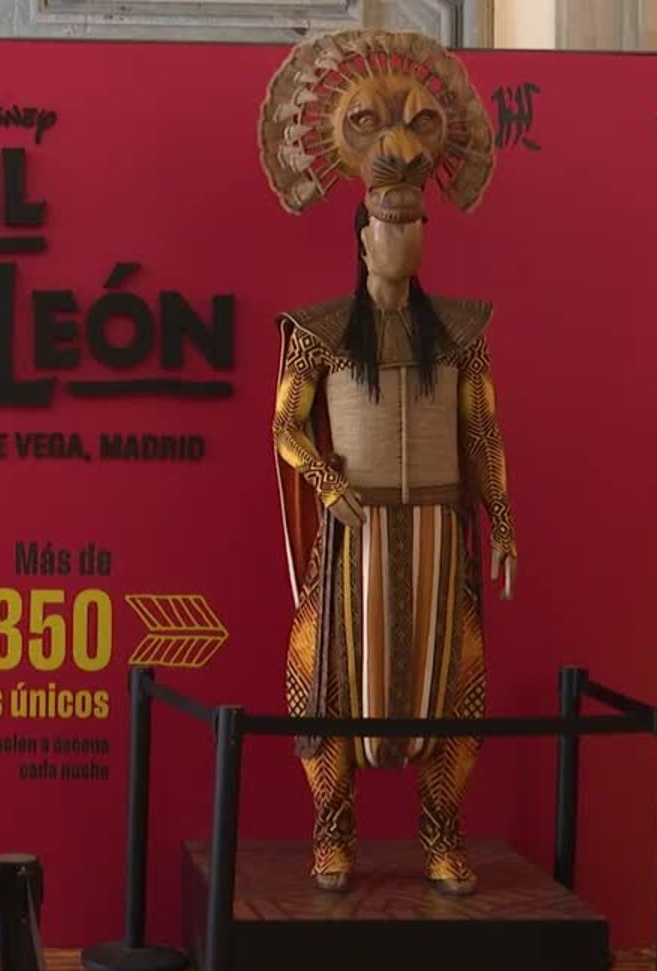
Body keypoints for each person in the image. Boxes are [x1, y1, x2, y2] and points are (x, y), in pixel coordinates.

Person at [262, 29, 517, 896]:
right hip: (353, 535)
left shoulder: (462, 334)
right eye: (387, 223)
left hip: (442, 534)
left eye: (413, 222)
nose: (401, 235)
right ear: (363, 235)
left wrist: (503, 521)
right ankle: (332, 832)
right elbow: (285, 427)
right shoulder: (321, 332)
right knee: (326, 680)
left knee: (456, 682)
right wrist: (328, 482)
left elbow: (482, 433)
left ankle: (442, 834)